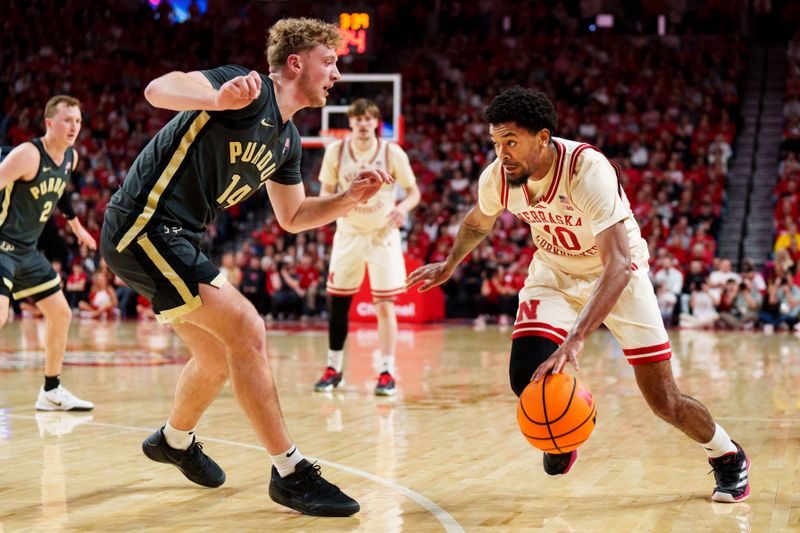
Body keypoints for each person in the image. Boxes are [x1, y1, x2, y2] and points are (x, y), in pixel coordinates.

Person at [99, 18, 393, 517]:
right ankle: (290, 472)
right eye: (329, 62)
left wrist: (348, 199)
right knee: (247, 328)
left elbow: (293, 217)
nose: (337, 74)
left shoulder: (288, 141)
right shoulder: (248, 88)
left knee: (216, 356)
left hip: (179, 236)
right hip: (144, 225)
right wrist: (216, 99)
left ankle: (174, 440)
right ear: (295, 63)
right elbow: (158, 89)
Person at [407, 87, 750, 503]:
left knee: (664, 400)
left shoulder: (587, 170)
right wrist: (449, 263)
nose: (502, 153)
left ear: (543, 138)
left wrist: (575, 339)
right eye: (496, 143)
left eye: (511, 142)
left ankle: (727, 454)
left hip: (619, 275)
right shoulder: (498, 177)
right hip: (554, 272)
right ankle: (564, 429)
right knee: (526, 377)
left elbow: (618, 264)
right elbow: (479, 221)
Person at [313, 98, 420, 396]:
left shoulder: (391, 152)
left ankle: (387, 371)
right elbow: (324, 193)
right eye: (358, 119)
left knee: (385, 305)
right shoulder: (336, 151)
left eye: (368, 119)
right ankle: (333, 369)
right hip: (348, 234)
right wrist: (334, 208)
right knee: (338, 303)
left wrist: (402, 209)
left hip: (382, 235)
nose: (363, 124)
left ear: (376, 123)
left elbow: (414, 192)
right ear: (350, 122)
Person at [0, 95, 96, 412]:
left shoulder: (71, 157)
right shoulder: (28, 155)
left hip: (27, 250)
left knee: (61, 313)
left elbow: (61, 192)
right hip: (2, 244)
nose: (74, 127)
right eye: (67, 120)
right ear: (49, 123)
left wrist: (77, 228)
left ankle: (51, 391)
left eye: (78, 121)